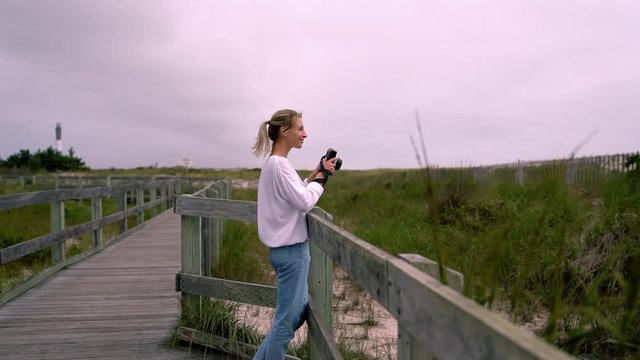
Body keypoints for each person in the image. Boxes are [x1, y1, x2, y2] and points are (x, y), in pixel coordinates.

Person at [251, 109, 338, 360]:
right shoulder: (280, 165)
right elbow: (303, 201)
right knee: (284, 324)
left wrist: (314, 174)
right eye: (300, 129)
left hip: (284, 252)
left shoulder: (274, 164)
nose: (305, 134)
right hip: (292, 254)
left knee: (296, 314)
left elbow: (292, 193)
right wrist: (320, 183)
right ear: (283, 131)